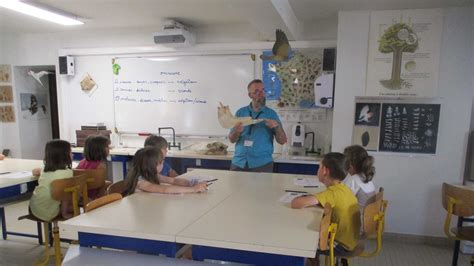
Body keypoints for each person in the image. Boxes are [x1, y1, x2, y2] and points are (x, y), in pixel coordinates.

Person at [291, 152, 360, 258]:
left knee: (301, 241)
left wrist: (300, 198)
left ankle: (309, 262)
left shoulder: (331, 193)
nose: (317, 170)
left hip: (340, 245)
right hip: (350, 241)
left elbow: (296, 204)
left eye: (319, 167)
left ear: (324, 171)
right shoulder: (343, 188)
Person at [229, 79, 287, 172]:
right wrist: (236, 131)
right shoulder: (240, 112)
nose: (261, 94)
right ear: (250, 95)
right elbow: (232, 140)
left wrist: (277, 127)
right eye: (256, 91)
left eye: (263, 90)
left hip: (262, 164)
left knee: (262, 187)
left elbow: (283, 140)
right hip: (239, 163)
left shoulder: (271, 114)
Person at [122, 147, 207, 196]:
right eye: (161, 162)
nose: (163, 163)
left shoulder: (151, 174)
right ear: (152, 166)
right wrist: (193, 189)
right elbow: (165, 189)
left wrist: (191, 183)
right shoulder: (141, 181)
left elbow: (173, 180)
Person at [29, 140, 74, 220]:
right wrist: (64, 213)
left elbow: (34, 171)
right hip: (49, 213)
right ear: (64, 155)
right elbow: (65, 197)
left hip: (33, 207)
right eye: (70, 152)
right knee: (74, 205)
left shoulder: (44, 169)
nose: (72, 154)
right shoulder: (68, 173)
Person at [342, 145, 376, 214]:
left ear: (350, 165)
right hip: (369, 220)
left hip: (358, 222)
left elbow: (340, 202)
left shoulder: (353, 180)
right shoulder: (367, 178)